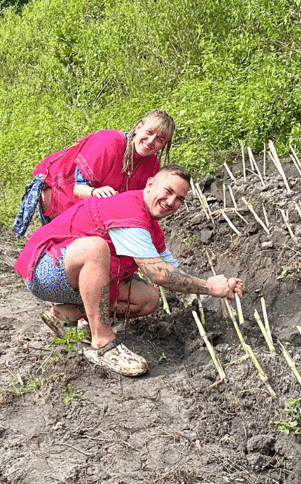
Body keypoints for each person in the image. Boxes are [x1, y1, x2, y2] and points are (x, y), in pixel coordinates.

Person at [14, 164, 244, 376]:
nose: (171, 201)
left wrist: (220, 285)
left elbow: (172, 270)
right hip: (45, 269)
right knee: (95, 248)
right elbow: (159, 274)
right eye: (168, 190)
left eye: (179, 199)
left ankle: (66, 314)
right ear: (150, 184)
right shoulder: (128, 208)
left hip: (71, 280)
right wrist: (210, 287)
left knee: (148, 299)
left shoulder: (152, 228)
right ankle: (102, 344)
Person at [13, 110, 175, 236]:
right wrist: (95, 192)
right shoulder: (108, 142)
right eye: (149, 132)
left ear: (163, 145)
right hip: (62, 191)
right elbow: (78, 188)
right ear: (139, 128)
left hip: (97, 207)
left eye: (159, 139)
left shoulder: (153, 165)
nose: (151, 141)